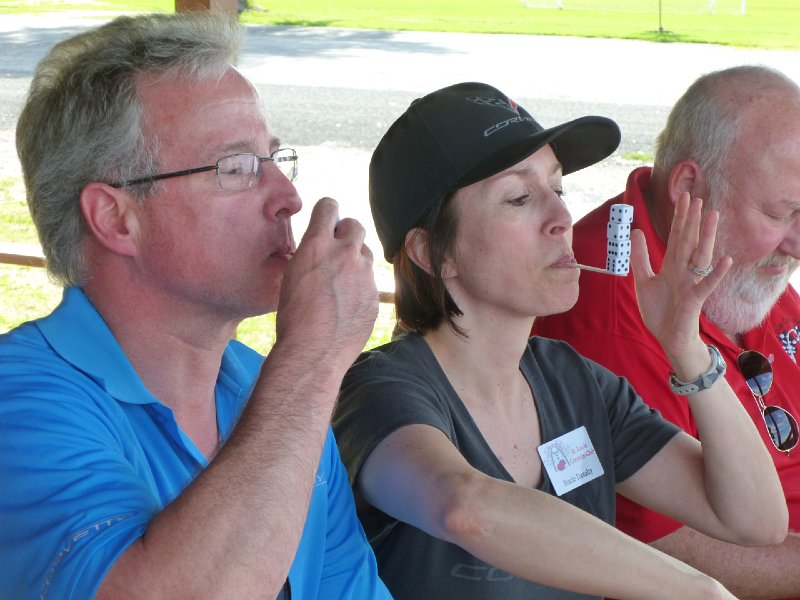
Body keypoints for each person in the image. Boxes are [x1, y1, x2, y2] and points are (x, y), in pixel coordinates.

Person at [331, 81, 787, 600]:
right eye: (520, 198)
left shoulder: (572, 380)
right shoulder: (379, 391)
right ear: (433, 251)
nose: (562, 219)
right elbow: (465, 508)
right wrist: (697, 590)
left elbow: (755, 521)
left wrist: (686, 347)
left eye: (559, 189)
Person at [0, 12, 392, 600]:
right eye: (236, 167)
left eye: (275, 159)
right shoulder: (19, 401)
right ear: (115, 218)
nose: (288, 197)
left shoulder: (264, 387)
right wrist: (314, 355)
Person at [533, 64, 800, 599]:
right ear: (688, 189)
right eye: (782, 214)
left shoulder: (730, 267)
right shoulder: (612, 315)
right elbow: (660, 546)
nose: (796, 243)